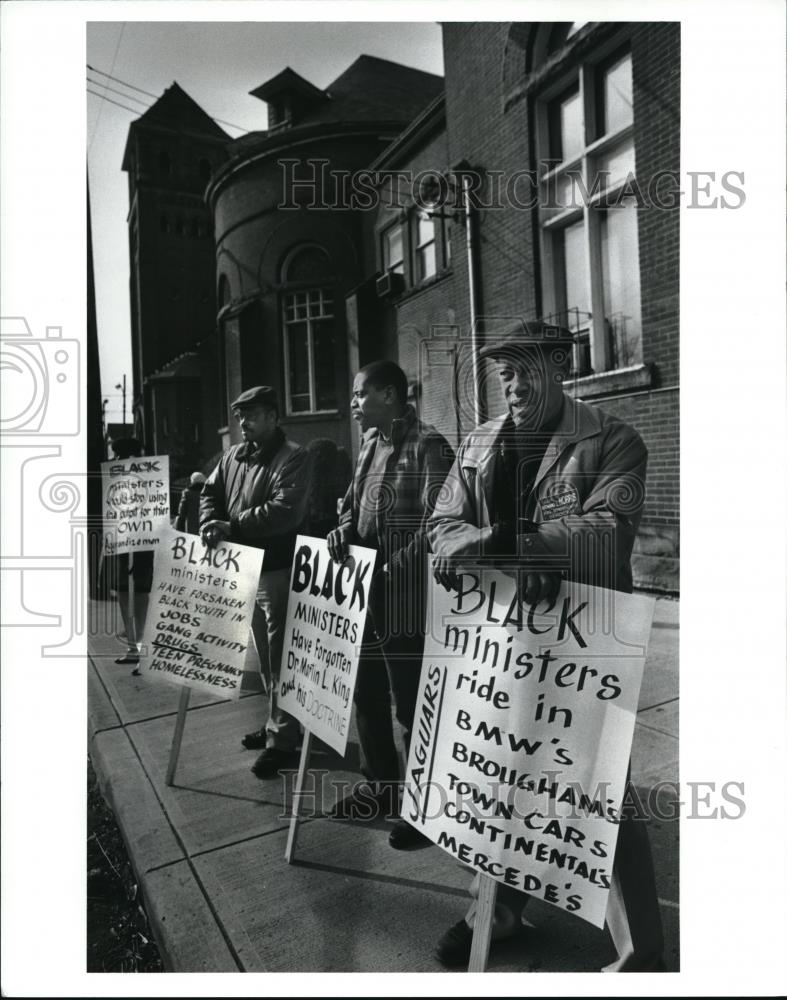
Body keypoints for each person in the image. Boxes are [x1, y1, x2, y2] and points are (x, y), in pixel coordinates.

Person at [428, 321, 664, 972]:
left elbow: (606, 532)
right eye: (502, 373)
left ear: (560, 366)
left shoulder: (612, 440)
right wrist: (485, 542)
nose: (511, 383)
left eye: (524, 369)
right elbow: (441, 529)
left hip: (581, 642)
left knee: (596, 784)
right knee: (499, 773)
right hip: (494, 644)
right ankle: (496, 912)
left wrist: (516, 544)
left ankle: (640, 950)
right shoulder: (477, 445)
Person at [327, 360, 454, 847]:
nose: (353, 404)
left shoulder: (429, 444)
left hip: (404, 594)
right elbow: (349, 503)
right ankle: (382, 787)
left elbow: (442, 519)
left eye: (360, 395)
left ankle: (424, 806)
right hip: (364, 588)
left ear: (389, 394)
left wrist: (399, 562)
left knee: (412, 702)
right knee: (366, 692)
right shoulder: (369, 445)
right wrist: (343, 527)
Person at [200, 386, 312, 778]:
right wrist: (207, 522)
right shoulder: (232, 456)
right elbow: (209, 492)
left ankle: (283, 739)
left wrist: (230, 525)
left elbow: (285, 512)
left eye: (252, 416)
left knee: (282, 656)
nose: (243, 424)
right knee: (266, 655)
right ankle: (275, 725)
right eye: (239, 416)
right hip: (245, 568)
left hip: (278, 570)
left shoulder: (294, 457)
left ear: (273, 417)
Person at [103, 436, 154, 668]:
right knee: (124, 592)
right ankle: (133, 646)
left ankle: (140, 646)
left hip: (142, 541)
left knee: (140, 593)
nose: (118, 460)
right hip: (120, 542)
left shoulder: (151, 473)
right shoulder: (112, 474)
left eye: (120, 455)